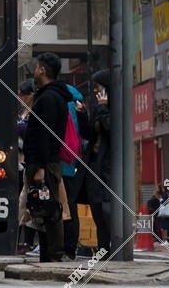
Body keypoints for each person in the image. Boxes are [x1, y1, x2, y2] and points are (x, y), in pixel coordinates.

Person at [23, 52, 74, 263]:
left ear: (42, 70)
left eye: (36, 67)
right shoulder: (50, 96)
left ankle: (54, 256)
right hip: (42, 162)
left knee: (51, 209)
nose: (34, 71)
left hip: (44, 163)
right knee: (41, 208)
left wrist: (41, 168)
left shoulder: (49, 98)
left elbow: (46, 134)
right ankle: (47, 255)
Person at [75, 69, 112, 252]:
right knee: (96, 209)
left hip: (107, 166)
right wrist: (82, 114)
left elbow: (111, 130)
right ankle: (102, 250)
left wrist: (103, 107)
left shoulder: (113, 109)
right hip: (93, 163)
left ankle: (113, 248)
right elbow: (88, 134)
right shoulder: (99, 108)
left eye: (99, 87)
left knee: (106, 210)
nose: (96, 92)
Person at [61, 80, 90, 260]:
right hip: (72, 163)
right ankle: (69, 249)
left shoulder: (62, 103)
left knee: (65, 207)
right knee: (70, 207)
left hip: (61, 162)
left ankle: (67, 248)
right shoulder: (78, 105)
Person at [16, 79, 39, 256]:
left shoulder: (35, 112)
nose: (19, 97)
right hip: (19, 165)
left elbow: (28, 134)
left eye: (22, 94)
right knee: (22, 203)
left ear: (30, 95)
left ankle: (29, 242)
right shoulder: (21, 112)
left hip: (30, 162)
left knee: (31, 203)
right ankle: (21, 241)